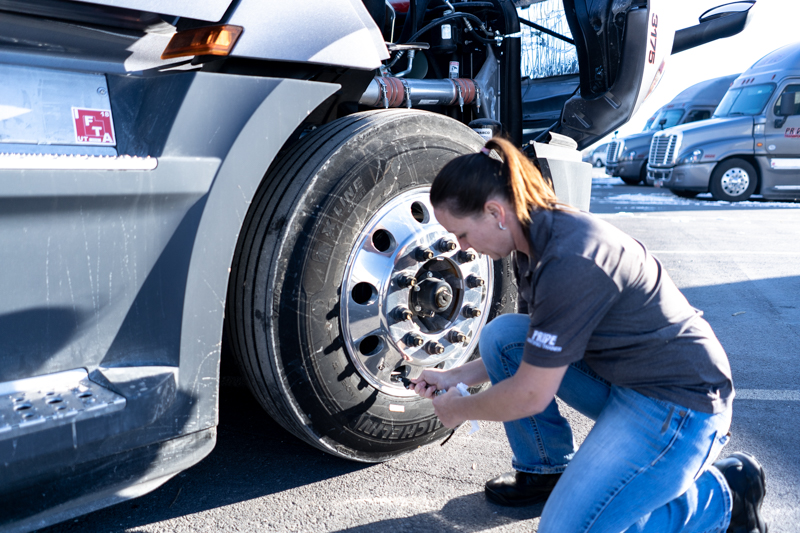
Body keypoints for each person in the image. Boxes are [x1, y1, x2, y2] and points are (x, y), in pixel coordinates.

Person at [410, 137, 768, 533]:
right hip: (625, 379)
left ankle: (724, 497)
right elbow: (531, 350)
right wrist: (454, 377)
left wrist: (458, 409)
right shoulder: (530, 239)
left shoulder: (570, 258)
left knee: (569, 530)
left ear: (495, 212)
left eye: (461, 233)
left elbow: (531, 393)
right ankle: (546, 470)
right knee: (504, 336)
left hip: (680, 405)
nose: (463, 247)